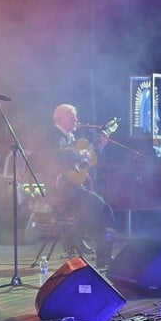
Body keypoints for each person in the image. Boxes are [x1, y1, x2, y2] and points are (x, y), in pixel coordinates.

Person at [44, 104, 116, 268]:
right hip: (61, 191)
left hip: (73, 189)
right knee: (101, 208)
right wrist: (81, 153)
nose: (77, 120)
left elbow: (78, 166)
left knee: (105, 212)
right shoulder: (52, 135)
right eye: (72, 116)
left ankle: (101, 253)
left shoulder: (70, 138)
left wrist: (98, 147)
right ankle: (77, 234)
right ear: (62, 117)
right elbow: (58, 156)